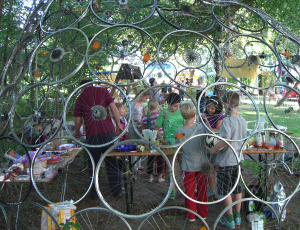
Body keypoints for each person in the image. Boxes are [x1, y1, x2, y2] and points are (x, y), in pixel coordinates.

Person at [73, 78, 123, 199]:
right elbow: (114, 108)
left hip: (92, 134)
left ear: (82, 87)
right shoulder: (103, 91)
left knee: (94, 164)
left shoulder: (80, 98)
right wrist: (118, 124)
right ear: (92, 84)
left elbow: (78, 120)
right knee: (112, 161)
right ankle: (117, 191)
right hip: (108, 132)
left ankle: (95, 194)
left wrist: (76, 132)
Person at [207, 91, 247, 228]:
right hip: (239, 159)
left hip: (227, 160)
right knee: (237, 189)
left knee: (225, 190)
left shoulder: (227, 121)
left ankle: (229, 220)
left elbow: (226, 140)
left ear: (226, 104)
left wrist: (213, 149)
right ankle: (237, 218)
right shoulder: (242, 120)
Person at [175, 102, 208, 221]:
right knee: (202, 190)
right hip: (202, 164)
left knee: (189, 191)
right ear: (195, 114)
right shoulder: (201, 127)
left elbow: (177, 145)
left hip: (188, 165)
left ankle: (191, 215)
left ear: (182, 115)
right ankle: (203, 214)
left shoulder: (180, 130)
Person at [154, 92, 185, 200]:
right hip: (169, 146)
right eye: (175, 106)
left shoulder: (182, 113)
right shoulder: (164, 114)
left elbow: (186, 126)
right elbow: (156, 129)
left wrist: (182, 137)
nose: (177, 108)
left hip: (181, 144)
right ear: (168, 104)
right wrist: (162, 139)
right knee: (171, 169)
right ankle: (172, 190)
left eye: (178, 105)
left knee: (185, 167)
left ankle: (189, 188)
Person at [202, 96, 224, 199]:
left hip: (216, 144)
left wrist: (206, 122)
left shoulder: (219, 116)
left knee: (217, 168)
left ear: (217, 108)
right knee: (209, 168)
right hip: (206, 144)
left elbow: (218, 130)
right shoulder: (205, 114)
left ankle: (220, 190)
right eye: (208, 107)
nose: (210, 110)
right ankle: (211, 189)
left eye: (212, 108)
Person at [141, 99, 164, 183]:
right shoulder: (160, 115)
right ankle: (159, 177)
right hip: (159, 139)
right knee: (159, 158)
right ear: (157, 107)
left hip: (149, 140)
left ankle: (150, 176)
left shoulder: (144, 117)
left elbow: (142, 128)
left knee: (150, 158)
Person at [128, 90, 151, 174]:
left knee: (140, 146)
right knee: (133, 147)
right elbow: (128, 117)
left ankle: (139, 165)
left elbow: (140, 115)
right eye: (146, 98)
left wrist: (141, 123)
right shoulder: (132, 104)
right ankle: (134, 168)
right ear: (141, 95)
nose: (146, 100)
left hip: (139, 127)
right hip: (132, 127)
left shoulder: (140, 104)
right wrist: (136, 120)